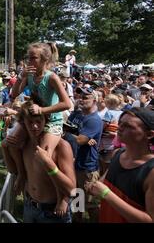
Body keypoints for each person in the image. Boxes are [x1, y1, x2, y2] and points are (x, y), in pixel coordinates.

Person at [9, 42, 72, 194]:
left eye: (33, 58)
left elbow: (67, 103)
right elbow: (13, 94)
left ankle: (61, 196)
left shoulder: (52, 78)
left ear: (44, 60)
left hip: (52, 121)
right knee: (9, 144)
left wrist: (42, 109)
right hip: (33, 119)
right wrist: (20, 77)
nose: (29, 62)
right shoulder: (29, 75)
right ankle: (22, 174)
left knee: (44, 158)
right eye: (28, 58)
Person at [3, 100, 76, 223]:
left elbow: (72, 189)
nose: (35, 126)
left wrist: (50, 165)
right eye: (30, 122)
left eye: (39, 121)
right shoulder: (25, 143)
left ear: (46, 120)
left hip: (53, 212)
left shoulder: (61, 146)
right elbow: (13, 170)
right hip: (30, 206)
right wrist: (5, 148)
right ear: (23, 123)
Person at [86, 107, 154, 223]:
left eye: (128, 126)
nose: (120, 128)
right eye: (120, 123)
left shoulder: (151, 171)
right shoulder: (117, 154)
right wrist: (94, 186)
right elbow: (105, 182)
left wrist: (106, 194)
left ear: (149, 134)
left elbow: (150, 219)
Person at [68, 87, 103, 222]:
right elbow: (68, 129)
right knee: (77, 200)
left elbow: (79, 140)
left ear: (95, 100)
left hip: (88, 167)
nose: (82, 99)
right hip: (76, 164)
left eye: (86, 97)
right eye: (81, 96)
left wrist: (69, 134)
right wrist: (79, 136)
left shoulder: (94, 120)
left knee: (91, 204)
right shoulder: (78, 115)